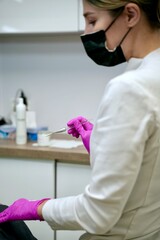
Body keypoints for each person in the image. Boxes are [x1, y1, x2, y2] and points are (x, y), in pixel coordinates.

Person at [0, 0, 160, 239]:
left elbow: (97, 213)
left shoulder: (129, 88)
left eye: (92, 20)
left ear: (130, 14)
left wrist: (37, 207)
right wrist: (99, 143)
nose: (86, 33)